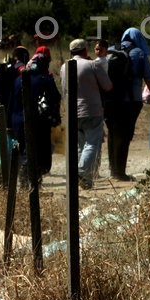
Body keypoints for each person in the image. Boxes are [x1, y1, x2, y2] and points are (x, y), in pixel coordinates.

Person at [105, 28, 150, 181]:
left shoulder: (111, 50)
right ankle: (120, 173)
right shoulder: (139, 53)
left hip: (110, 100)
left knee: (113, 134)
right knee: (125, 135)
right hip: (130, 101)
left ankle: (113, 170)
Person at [60, 39, 112, 190]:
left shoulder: (64, 67)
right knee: (92, 144)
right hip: (91, 110)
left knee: (80, 145)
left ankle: (86, 180)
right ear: (84, 50)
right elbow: (108, 86)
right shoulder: (91, 65)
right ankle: (82, 172)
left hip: (72, 111)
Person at [8, 50, 62, 185]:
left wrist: (9, 124)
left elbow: (10, 103)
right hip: (38, 121)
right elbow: (55, 97)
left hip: (18, 121)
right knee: (37, 150)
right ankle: (30, 181)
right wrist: (55, 118)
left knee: (25, 148)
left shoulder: (17, 80)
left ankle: (28, 180)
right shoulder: (45, 79)